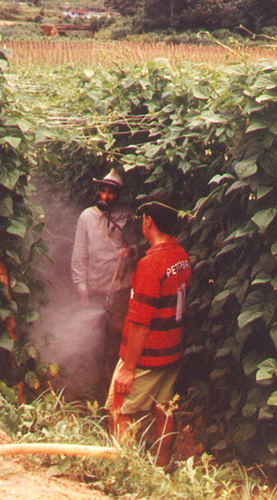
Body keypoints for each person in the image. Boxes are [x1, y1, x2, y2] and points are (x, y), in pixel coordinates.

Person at [105, 200, 191, 468]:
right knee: (164, 409)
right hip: (171, 352)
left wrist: (128, 368)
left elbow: (141, 323)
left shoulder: (150, 264)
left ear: (149, 221)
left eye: (143, 218)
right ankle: (160, 469)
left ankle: (127, 474)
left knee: (118, 410)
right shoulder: (181, 257)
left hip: (147, 357)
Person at [71, 168, 136, 395]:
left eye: (111, 193)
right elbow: (79, 254)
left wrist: (130, 251)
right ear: (98, 192)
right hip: (95, 289)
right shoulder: (86, 217)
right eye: (103, 191)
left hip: (119, 290)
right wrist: (81, 287)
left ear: (118, 196)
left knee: (115, 339)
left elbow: (139, 245)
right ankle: (92, 387)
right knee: (94, 339)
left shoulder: (126, 217)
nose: (106, 197)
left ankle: (111, 386)